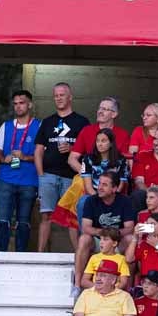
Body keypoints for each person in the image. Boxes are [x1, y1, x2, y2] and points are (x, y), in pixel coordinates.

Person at [34, 83, 89, 252]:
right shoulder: (47, 122)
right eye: (56, 95)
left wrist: (72, 150)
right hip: (49, 175)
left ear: (70, 97)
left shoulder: (82, 122)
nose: (59, 98)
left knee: (72, 217)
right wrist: (41, 175)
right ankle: (39, 255)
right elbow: (38, 151)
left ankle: (77, 254)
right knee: (46, 215)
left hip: (71, 177)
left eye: (62, 95)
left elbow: (89, 151)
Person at [0, 90, 40, 252]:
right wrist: (2, 158)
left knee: (24, 220)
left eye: (22, 103)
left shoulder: (39, 126)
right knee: (3, 219)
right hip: (6, 178)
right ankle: (1, 255)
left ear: (30, 105)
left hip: (29, 180)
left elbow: (44, 155)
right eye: (16, 104)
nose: (18, 107)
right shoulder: (6, 126)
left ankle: (21, 256)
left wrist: (25, 157)